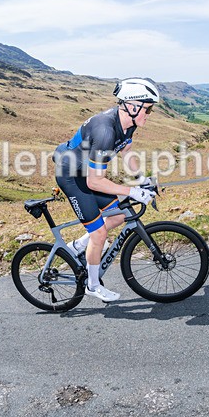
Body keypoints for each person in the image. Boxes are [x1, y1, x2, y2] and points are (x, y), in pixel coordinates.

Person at [54, 78, 159, 302]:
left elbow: (126, 152)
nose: (149, 114)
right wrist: (132, 191)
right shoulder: (105, 131)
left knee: (118, 215)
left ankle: (78, 246)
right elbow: (94, 182)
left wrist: (141, 179)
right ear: (132, 106)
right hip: (72, 176)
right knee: (99, 233)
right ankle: (92, 285)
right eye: (148, 109)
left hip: (86, 174)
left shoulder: (127, 124)